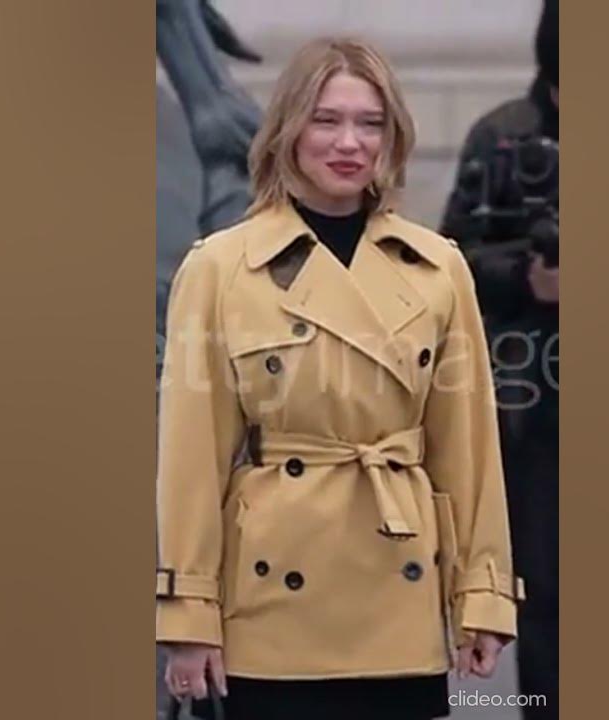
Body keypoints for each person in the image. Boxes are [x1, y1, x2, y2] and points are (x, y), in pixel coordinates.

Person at [156, 37, 523, 720]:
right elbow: (189, 461)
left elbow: (469, 450)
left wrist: (484, 592)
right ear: (288, 130)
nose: (349, 142)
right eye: (326, 120)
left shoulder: (437, 268)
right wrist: (187, 614)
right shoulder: (220, 268)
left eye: (371, 122)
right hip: (269, 603)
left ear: (393, 138)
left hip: (399, 590)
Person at [440, 2, 559, 718]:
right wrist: (529, 277)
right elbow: (451, 250)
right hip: (539, 404)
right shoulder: (505, 137)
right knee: (546, 589)